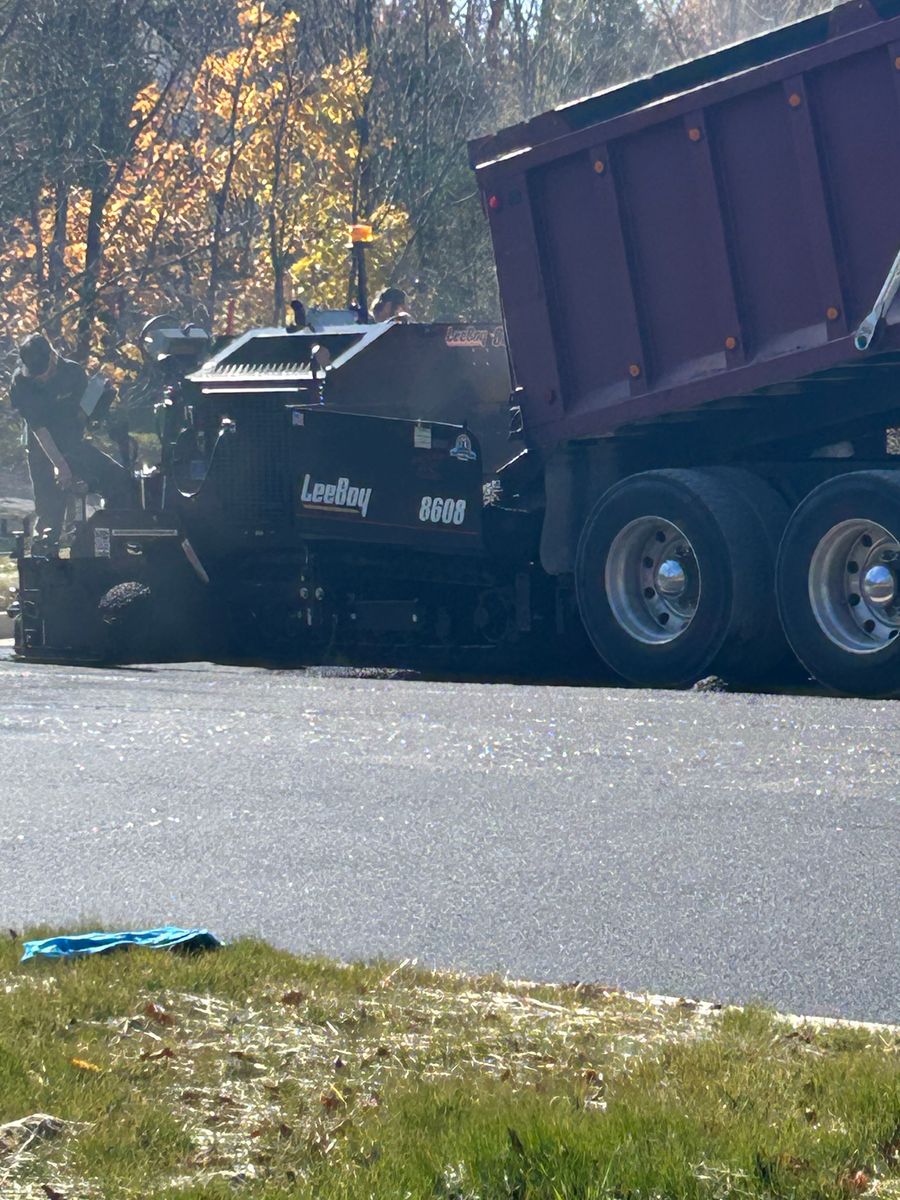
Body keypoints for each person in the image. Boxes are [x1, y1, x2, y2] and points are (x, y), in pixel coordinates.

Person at [9, 333, 132, 539]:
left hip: (73, 443)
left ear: (53, 358)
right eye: (35, 374)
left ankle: (113, 533)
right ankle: (47, 548)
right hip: (42, 448)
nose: (39, 377)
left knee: (118, 479)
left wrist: (97, 403)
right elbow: (39, 428)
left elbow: (82, 415)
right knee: (50, 513)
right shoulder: (21, 383)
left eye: (43, 372)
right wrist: (61, 466)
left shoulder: (73, 372)